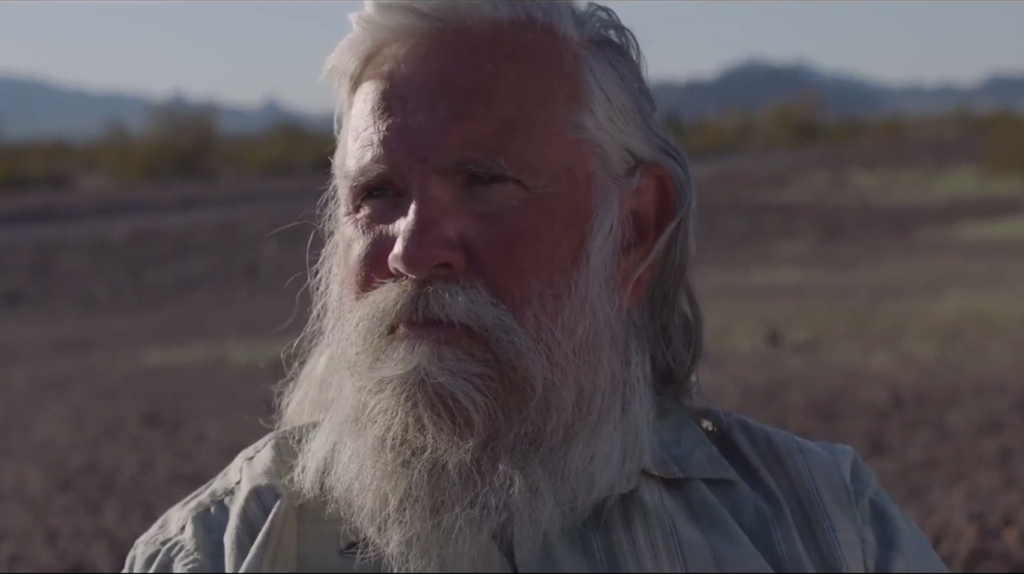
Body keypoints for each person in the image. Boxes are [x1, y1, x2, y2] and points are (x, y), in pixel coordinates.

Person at [123, 1, 947, 572]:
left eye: (486, 181)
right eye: (377, 193)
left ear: (632, 230)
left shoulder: (821, 530)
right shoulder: (217, 552)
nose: (414, 250)